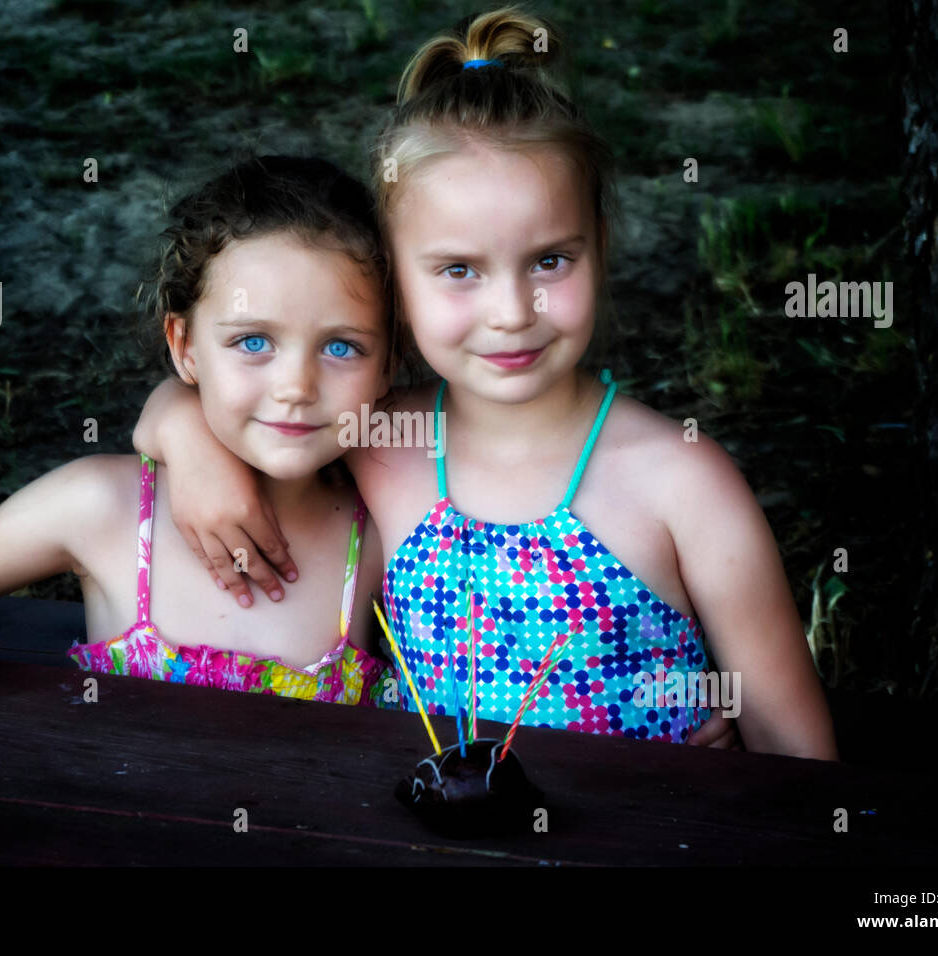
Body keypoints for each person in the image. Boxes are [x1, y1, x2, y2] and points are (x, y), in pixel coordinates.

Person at [133, 11, 829, 753]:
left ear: (599, 245)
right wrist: (184, 434)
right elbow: (230, 402)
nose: (509, 313)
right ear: (393, 280)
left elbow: (802, 763)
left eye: (551, 260)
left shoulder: (683, 482)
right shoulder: (377, 439)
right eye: (459, 270)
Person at [0, 155, 394, 705]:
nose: (296, 385)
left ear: (390, 363)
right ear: (185, 347)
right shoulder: (101, 507)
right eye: (253, 341)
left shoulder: (387, 532)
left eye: (342, 346)